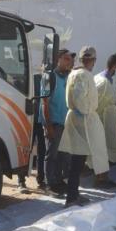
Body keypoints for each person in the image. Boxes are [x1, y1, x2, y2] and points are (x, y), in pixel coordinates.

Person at [60, 46, 108, 206]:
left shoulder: (75, 73)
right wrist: (86, 112)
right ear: (92, 60)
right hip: (83, 120)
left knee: (78, 160)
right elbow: (80, 98)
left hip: (80, 118)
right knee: (78, 161)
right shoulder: (83, 75)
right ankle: (71, 198)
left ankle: (74, 194)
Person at [41, 49, 74, 196]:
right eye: (66, 58)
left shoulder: (69, 77)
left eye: (70, 59)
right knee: (51, 155)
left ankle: (59, 182)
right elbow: (44, 102)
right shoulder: (48, 77)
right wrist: (48, 126)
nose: (69, 62)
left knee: (63, 155)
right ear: (58, 59)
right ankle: (49, 184)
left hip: (65, 122)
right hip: (53, 122)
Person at [94, 53, 116, 188]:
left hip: (106, 118)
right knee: (101, 150)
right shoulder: (103, 81)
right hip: (101, 119)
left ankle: (104, 177)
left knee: (105, 150)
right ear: (115, 65)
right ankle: (100, 179)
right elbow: (98, 102)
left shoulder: (104, 78)